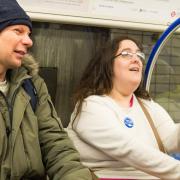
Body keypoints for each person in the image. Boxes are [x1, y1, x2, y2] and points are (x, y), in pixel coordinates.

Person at [0, 0, 96, 179]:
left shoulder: (31, 85)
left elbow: (56, 145)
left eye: (29, 34)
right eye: (18, 31)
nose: (28, 41)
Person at [67, 36, 180, 179]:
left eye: (139, 54)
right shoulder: (91, 106)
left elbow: (171, 138)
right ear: (107, 65)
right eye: (126, 54)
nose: (136, 59)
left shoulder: (147, 106)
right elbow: (129, 149)